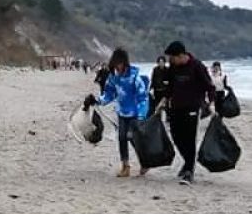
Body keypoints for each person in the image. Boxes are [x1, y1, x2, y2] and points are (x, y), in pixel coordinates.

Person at [85, 48, 150, 177]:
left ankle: (145, 162)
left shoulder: (134, 77)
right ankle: (125, 166)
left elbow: (143, 97)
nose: (118, 67)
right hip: (121, 113)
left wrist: (142, 116)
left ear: (125, 63)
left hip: (135, 114)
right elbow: (109, 94)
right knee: (121, 138)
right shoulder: (114, 77)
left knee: (133, 139)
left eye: (119, 64)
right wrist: (97, 100)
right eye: (115, 65)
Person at [160, 41, 214, 186]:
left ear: (181, 55)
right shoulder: (173, 67)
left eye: (172, 57)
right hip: (175, 107)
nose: (170, 60)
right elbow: (170, 86)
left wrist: (211, 103)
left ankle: (189, 171)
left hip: (192, 108)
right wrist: (163, 101)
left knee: (189, 139)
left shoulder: (197, 66)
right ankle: (188, 162)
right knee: (176, 138)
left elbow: (209, 86)